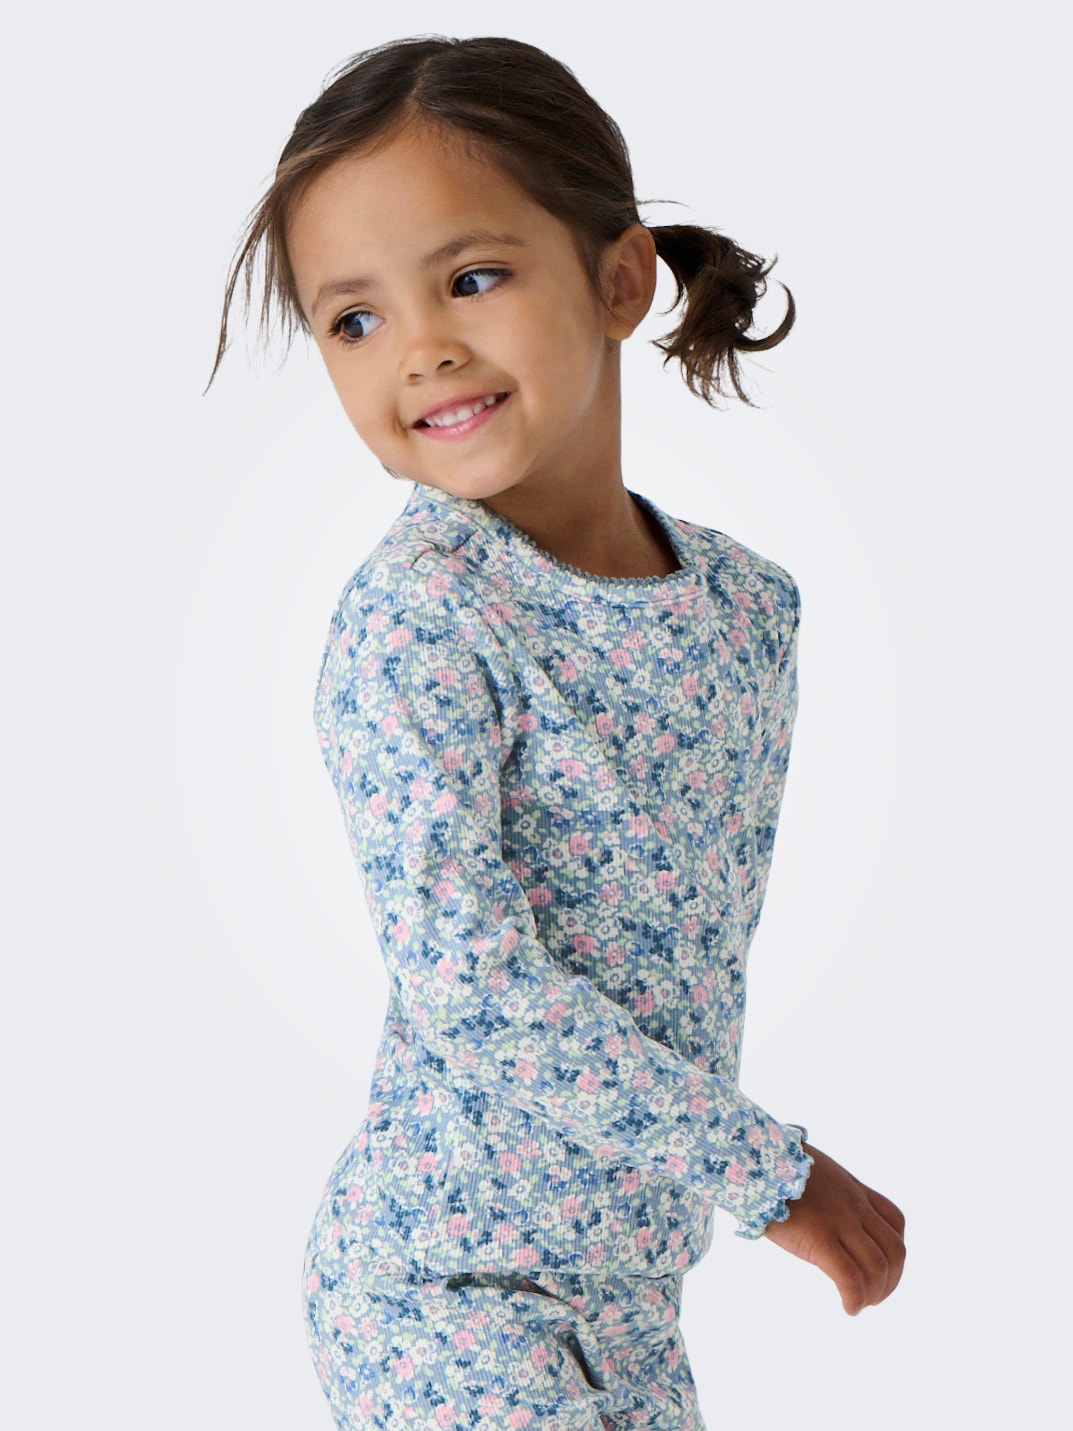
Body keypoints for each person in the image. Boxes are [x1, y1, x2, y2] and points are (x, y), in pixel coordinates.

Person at [208, 34, 906, 1431]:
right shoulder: (420, 625)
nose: (423, 347)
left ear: (619, 281)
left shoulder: (745, 610)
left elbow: (696, 946)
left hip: (631, 1296)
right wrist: (771, 1175)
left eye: (472, 278)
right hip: (442, 1292)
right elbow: (472, 991)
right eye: (354, 320)